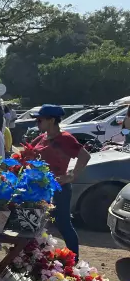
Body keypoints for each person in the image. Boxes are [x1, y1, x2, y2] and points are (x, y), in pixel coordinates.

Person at [29, 104, 91, 257]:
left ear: (51, 120)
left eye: (40, 120)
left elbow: (85, 155)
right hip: (40, 189)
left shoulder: (65, 138)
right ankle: (37, 257)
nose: (37, 123)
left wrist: (72, 175)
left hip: (59, 189)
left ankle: (74, 258)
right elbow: (28, 153)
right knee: (37, 224)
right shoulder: (42, 137)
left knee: (63, 224)